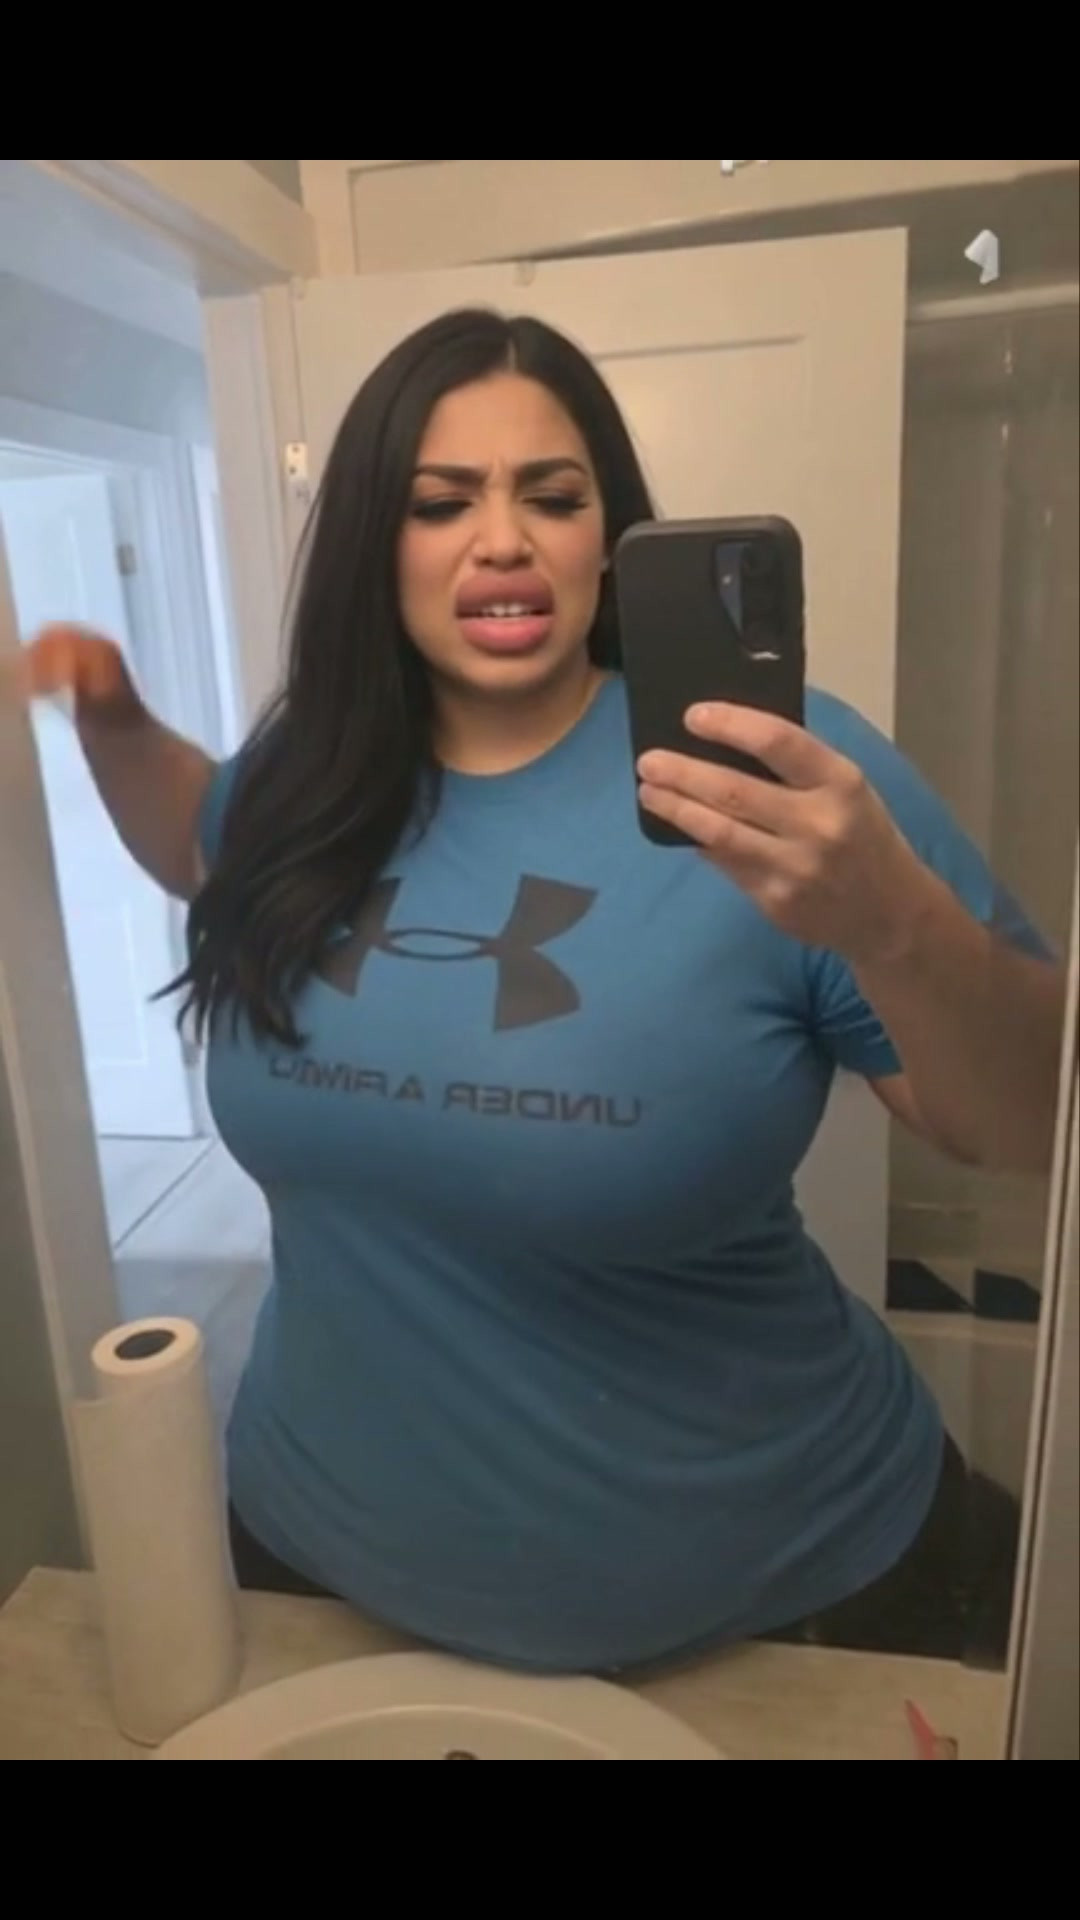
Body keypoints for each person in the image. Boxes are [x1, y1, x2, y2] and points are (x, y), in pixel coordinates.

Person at [19, 309, 1064, 1676]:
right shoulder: (309, 772)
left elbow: (1029, 1123)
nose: (502, 539)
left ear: (608, 538)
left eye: (552, 498)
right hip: (313, 1567)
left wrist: (898, 925)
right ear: (373, 543)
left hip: (785, 1602)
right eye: (441, 502)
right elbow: (204, 844)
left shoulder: (776, 774)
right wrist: (110, 719)